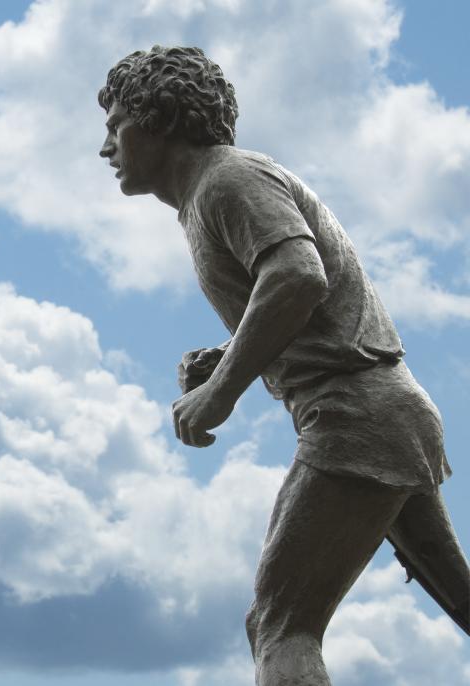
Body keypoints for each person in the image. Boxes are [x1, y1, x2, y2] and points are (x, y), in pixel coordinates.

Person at [98, 45, 470, 685]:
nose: (105, 147)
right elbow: (310, 306)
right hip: (383, 413)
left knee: (279, 626)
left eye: (115, 125)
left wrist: (221, 390)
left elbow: (298, 276)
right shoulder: (212, 194)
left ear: (161, 119)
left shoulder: (228, 180)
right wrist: (229, 355)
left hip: (355, 417)